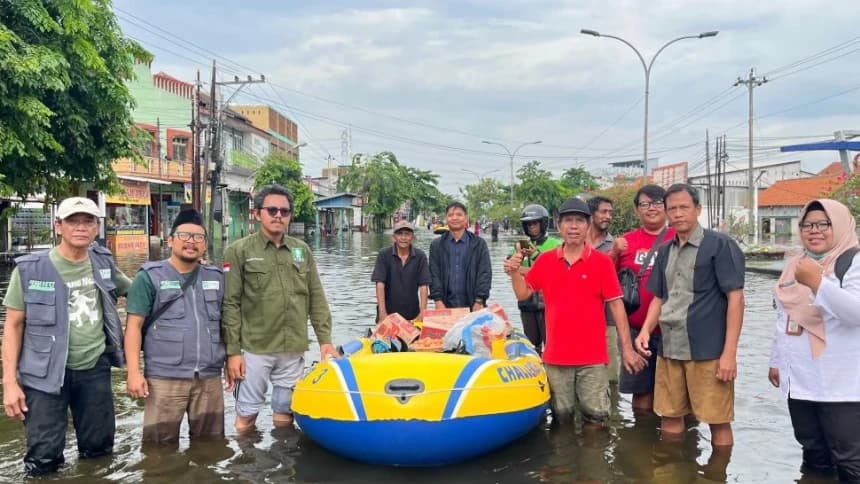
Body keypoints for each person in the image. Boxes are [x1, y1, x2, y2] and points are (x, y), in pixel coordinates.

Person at [2, 196, 131, 476]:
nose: (81, 227)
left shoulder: (103, 262)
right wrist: (9, 383)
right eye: (73, 221)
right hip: (43, 376)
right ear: (58, 226)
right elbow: (12, 326)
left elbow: (136, 292)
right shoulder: (30, 270)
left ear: (97, 228)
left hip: (94, 368)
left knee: (99, 451)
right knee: (43, 458)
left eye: (88, 221)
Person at [505, 197, 645, 426]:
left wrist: (627, 349)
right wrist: (514, 274)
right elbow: (523, 294)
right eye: (568, 221)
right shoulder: (546, 261)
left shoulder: (602, 263)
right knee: (562, 420)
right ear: (559, 226)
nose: (573, 226)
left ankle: (592, 462)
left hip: (592, 358)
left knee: (596, 421)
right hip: (556, 357)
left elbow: (616, 305)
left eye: (579, 221)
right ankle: (565, 462)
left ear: (588, 226)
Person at [634, 183, 745, 447]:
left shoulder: (720, 245)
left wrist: (729, 354)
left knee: (717, 419)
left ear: (698, 209)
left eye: (684, 207)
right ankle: (673, 469)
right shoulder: (665, 251)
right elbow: (660, 297)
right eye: (672, 209)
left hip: (707, 351)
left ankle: (717, 474)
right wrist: (646, 330)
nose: (678, 214)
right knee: (669, 416)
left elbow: (736, 299)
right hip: (670, 348)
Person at [223, 184, 338, 432]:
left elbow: (316, 296)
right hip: (255, 348)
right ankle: (246, 468)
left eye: (284, 211)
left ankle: (283, 467)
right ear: (257, 214)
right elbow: (230, 304)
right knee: (246, 417)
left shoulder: (301, 250)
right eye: (272, 210)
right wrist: (233, 352)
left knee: (285, 414)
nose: (278, 215)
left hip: (293, 347)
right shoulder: (239, 251)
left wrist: (325, 340)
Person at [769, 199, 860, 482]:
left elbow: (856, 313)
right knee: (813, 454)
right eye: (808, 225)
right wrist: (776, 362)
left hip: (843, 385)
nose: (814, 230)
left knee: (849, 461)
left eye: (824, 224)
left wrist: (818, 282)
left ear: (841, 225)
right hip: (800, 380)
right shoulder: (796, 265)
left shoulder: (853, 261)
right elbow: (784, 317)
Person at [124, 208, 228, 444]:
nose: (191, 242)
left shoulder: (216, 277)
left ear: (204, 245)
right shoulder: (149, 277)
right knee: (159, 451)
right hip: (164, 378)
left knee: (210, 448)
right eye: (184, 236)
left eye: (198, 237)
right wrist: (133, 372)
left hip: (209, 378)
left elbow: (228, 322)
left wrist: (233, 357)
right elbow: (133, 327)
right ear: (170, 240)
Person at [615, 185, 675, 411]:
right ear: (636, 210)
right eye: (645, 204)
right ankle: (641, 441)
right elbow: (607, 282)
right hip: (635, 330)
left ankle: (680, 443)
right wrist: (613, 252)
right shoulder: (625, 242)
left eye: (658, 202)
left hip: (673, 330)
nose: (652, 208)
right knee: (641, 394)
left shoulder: (678, 237)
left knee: (678, 394)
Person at [510, 204, 561, 355]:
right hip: (527, 303)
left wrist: (534, 257)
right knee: (530, 347)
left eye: (535, 223)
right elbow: (510, 269)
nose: (532, 227)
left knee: (552, 344)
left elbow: (556, 271)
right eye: (528, 224)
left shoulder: (555, 245)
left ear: (543, 223)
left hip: (549, 304)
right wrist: (517, 261)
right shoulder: (519, 246)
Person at [429, 202, 491, 310]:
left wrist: (479, 300)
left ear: (466, 218)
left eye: (459, 214)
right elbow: (434, 274)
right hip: (445, 305)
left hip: (473, 304)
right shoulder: (437, 245)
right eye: (451, 215)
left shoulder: (478, 244)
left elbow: (485, 273)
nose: (455, 218)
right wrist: (438, 301)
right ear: (446, 218)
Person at [586, 196, 621, 384]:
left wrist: (615, 253)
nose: (608, 216)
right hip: (579, 319)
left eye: (610, 213)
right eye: (604, 212)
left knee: (610, 377)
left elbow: (613, 278)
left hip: (607, 319)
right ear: (592, 215)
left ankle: (613, 412)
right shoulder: (575, 242)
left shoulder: (614, 244)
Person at [371, 220, 431, 321]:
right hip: (388, 312)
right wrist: (382, 312)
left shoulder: (420, 256)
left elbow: (423, 285)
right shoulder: (384, 255)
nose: (403, 238)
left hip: (412, 313)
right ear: (393, 237)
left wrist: (422, 313)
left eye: (407, 234)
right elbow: (380, 284)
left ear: (413, 237)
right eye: (399, 234)